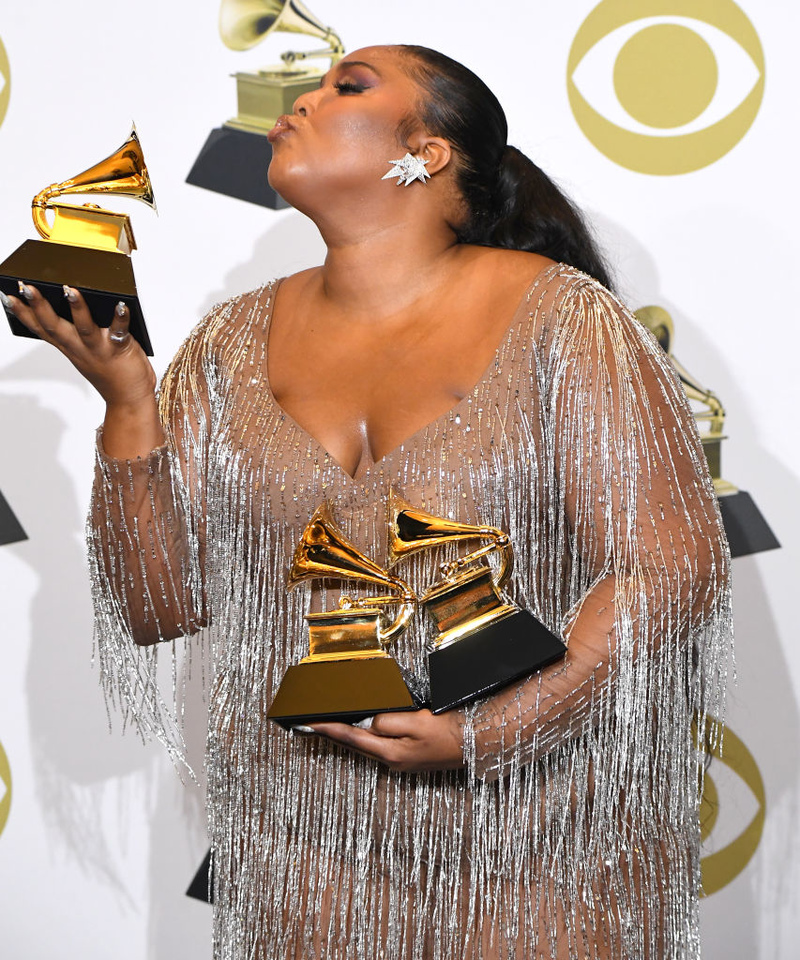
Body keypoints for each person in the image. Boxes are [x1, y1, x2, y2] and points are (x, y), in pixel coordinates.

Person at [3, 44, 731, 960]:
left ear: (426, 154)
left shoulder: (563, 316)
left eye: (346, 86)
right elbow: (160, 606)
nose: (300, 100)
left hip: (539, 840)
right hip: (306, 850)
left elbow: (673, 563)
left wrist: (488, 732)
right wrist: (129, 403)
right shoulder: (229, 341)